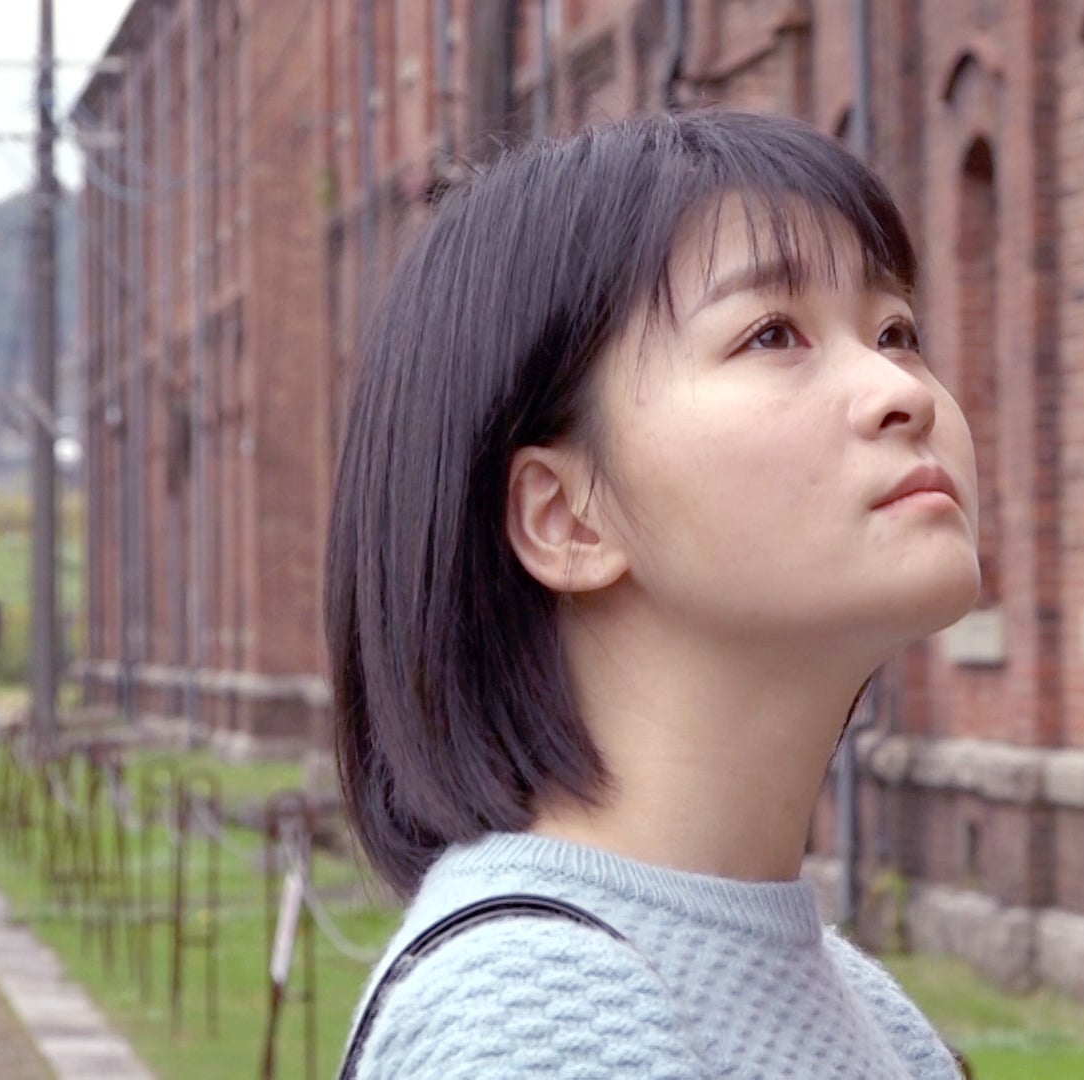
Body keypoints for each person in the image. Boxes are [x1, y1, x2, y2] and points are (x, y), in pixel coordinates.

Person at [326, 108, 980, 1078]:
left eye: (896, 332)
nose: (904, 391)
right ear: (566, 518)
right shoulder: (535, 1014)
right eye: (773, 334)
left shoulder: (866, 1008)